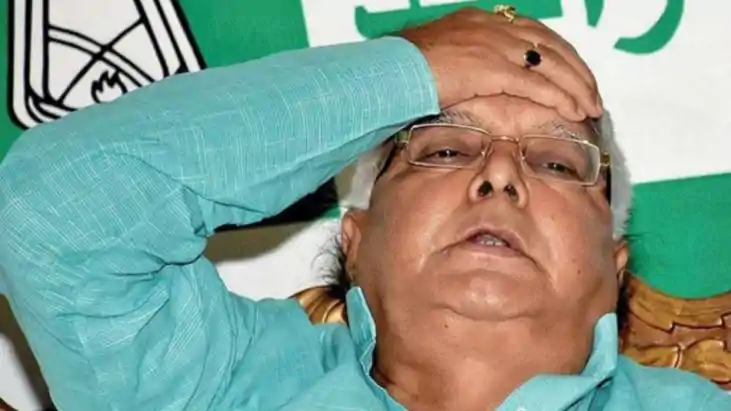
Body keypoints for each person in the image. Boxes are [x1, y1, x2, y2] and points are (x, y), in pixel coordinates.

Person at [0, 6, 728, 411]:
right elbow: (50, 212)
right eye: (444, 149)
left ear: (614, 264)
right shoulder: (220, 385)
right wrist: (405, 71)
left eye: (557, 163)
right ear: (356, 238)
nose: (500, 174)